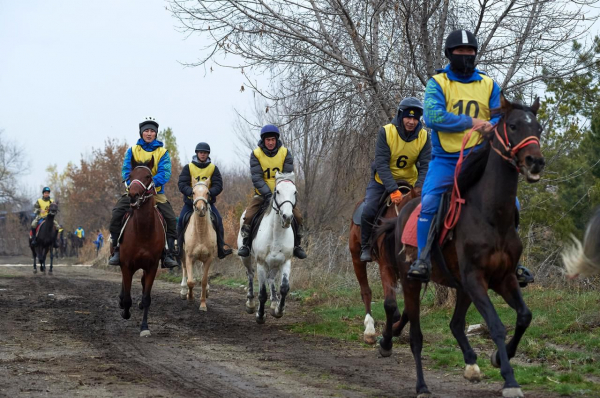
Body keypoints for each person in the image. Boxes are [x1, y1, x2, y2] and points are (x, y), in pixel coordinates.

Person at [407, 29, 534, 287]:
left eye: (470, 52)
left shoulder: (488, 84)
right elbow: (432, 117)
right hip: (446, 159)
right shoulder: (438, 83)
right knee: (430, 203)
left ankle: (513, 262)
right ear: (450, 54)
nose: (466, 55)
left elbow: (501, 115)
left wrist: (493, 124)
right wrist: (473, 122)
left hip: (480, 159)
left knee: (514, 205)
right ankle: (422, 259)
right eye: (460, 52)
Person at [359, 97, 431, 262]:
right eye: (408, 117)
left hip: (411, 183)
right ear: (400, 115)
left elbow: (426, 165)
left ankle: (425, 249)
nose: (411, 121)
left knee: (429, 210)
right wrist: (392, 190)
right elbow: (381, 164)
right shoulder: (386, 131)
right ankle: (365, 246)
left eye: (415, 118)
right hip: (383, 182)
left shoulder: (424, 137)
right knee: (369, 209)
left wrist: (419, 188)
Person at [108, 118, 179, 268]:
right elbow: (126, 171)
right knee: (116, 214)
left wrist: (151, 185)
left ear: (156, 134)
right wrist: (131, 185)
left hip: (155, 194)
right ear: (141, 133)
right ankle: (116, 250)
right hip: (133, 192)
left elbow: (165, 173)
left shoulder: (163, 152)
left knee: (171, 219)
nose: (149, 133)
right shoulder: (132, 151)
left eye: (152, 131)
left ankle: (168, 254)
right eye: (146, 130)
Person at [237, 125, 306, 259]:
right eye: (268, 140)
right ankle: (246, 244)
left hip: (282, 195)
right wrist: (268, 195)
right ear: (264, 140)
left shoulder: (285, 153)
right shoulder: (256, 154)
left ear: (276, 140)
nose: (270, 142)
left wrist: (279, 194)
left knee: (297, 216)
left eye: (272, 139)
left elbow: (287, 175)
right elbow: (256, 177)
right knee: (249, 216)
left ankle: (297, 245)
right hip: (262, 195)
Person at [177, 142, 232, 259]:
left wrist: (208, 193)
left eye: (205, 153)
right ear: (197, 153)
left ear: (208, 154)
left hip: (207, 204)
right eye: (201, 152)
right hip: (190, 203)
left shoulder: (213, 168)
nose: (203, 155)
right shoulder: (189, 167)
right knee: (181, 220)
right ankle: (178, 250)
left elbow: (219, 185)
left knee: (218, 220)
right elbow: (182, 184)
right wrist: (192, 192)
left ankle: (221, 248)